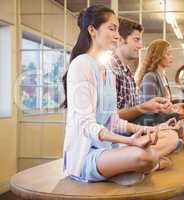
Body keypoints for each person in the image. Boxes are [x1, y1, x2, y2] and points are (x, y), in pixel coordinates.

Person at [61, 5, 162, 186]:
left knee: (157, 146)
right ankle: (129, 169)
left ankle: (122, 170)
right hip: (85, 155)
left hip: (107, 148)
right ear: (92, 30)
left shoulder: (108, 71)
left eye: (117, 29)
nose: (117, 35)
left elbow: (113, 121)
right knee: (146, 157)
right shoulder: (81, 65)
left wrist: (141, 131)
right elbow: (86, 124)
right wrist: (129, 141)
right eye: (112, 28)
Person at [109, 17, 182, 160]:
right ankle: (145, 160)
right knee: (174, 134)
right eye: (136, 40)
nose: (141, 45)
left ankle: (146, 159)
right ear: (120, 39)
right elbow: (111, 119)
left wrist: (157, 110)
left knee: (174, 131)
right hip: (121, 138)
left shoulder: (128, 73)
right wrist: (145, 109)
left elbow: (134, 112)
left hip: (132, 132)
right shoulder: (109, 71)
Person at [135, 39, 184, 144]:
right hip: (154, 123)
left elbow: (165, 106)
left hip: (164, 118)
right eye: (168, 54)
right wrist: (183, 115)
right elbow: (150, 111)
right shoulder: (150, 76)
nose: (171, 57)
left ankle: (182, 135)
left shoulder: (162, 76)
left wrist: (177, 106)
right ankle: (181, 136)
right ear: (158, 56)